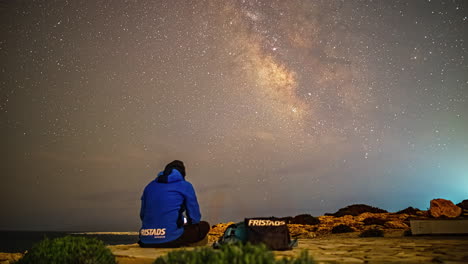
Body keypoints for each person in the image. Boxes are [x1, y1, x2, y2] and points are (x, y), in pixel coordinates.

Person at [138, 160, 210, 248]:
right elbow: (194, 217)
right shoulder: (185, 185)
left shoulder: (149, 186)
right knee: (204, 226)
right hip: (171, 239)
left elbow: (142, 215)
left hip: (145, 240)